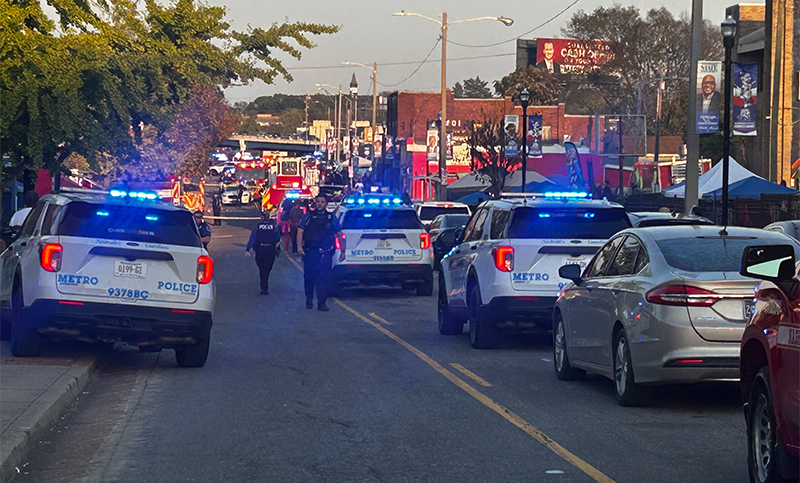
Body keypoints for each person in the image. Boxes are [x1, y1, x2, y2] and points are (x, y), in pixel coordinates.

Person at [297, 195, 346, 311]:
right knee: (309, 278)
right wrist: (299, 247)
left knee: (324, 278)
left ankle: (321, 303)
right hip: (311, 252)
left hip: (326, 253)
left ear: (326, 204)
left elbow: (339, 234)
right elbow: (300, 231)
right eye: (318, 201)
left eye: (322, 202)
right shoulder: (308, 216)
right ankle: (309, 299)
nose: (320, 204)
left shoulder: (331, 218)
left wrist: (343, 251)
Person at [245, 211, 281, 295]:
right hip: (270, 250)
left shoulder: (257, 226)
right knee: (267, 269)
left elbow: (252, 237)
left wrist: (248, 249)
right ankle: (264, 286)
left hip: (260, 250)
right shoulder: (274, 227)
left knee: (262, 269)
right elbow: (278, 237)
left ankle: (263, 286)